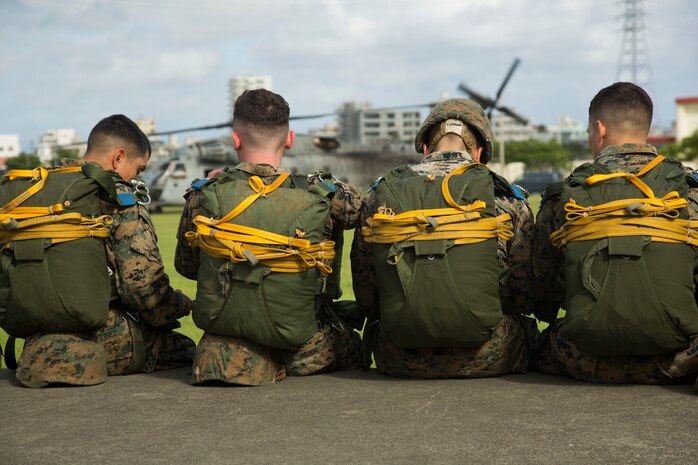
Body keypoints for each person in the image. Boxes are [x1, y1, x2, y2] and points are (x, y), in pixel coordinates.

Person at [175, 89, 363, 386]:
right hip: (304, 346)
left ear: (235, 139)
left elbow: (186, 266)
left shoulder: (203, 193)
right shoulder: (321, 193)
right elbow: (360, 211)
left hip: (225, 341)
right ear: (290, 140)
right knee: (354, 346)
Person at [351, 98, 538, 378]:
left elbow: (367, 295)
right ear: (479, 152)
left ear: (425, 148)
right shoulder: (506, 197)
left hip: (400, 357)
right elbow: (526, 295)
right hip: (492, 354)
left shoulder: (379, 196)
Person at [532, 82, 698, 385]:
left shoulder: (564, 196)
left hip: (586, 357)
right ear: (645, 127)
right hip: (678, 357)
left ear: (600, 128)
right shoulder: (690, 191)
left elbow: (542, 292)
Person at [14, 114, 195, 388]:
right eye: (138, 169)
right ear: (119, 157)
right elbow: (144, 291)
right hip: (103, 336)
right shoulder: (117, 198)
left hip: (34, 335)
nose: (136, 177)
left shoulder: (39, 191)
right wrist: (180, 305)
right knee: (186, 348)